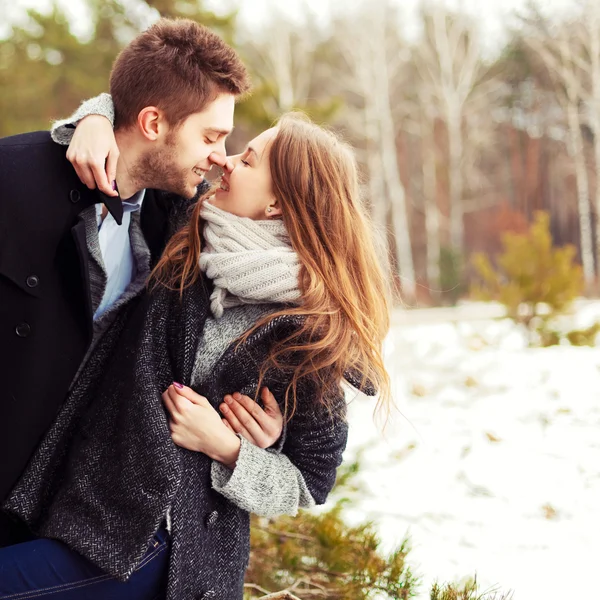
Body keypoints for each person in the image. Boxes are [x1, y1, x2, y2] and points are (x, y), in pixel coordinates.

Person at [0, 109, 392, 599]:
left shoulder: (306, 335)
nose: (226, 162)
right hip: (84, 499)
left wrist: (228, 448)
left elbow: (309, 480)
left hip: (159, 542)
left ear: (276, 204)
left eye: (248, 161)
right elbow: (154, 120)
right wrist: (98, 117)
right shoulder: (192, 233)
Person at [0, 18, 255, 547]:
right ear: (154, 123)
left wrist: (255, 439)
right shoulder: (11, 181)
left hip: (48, 505)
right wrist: (96, 114)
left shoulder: (175, 221)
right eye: (210, 136)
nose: (219, 156)